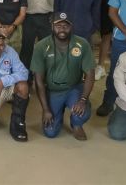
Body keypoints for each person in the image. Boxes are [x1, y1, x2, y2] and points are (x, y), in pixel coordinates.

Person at [32, 12, 95, 140]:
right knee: (50, 133)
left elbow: (90, 74)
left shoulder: (82, 44)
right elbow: (38, 81)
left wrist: (83, 99)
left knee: (82, 114)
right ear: (52, 27)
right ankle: (57, 112)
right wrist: (45, 109)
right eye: (58, 25)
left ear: (71, 27)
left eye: (66, 26)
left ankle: (76, 123)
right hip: (53, 91)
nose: (62, 29)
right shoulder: (41, 46)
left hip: (74, 88)